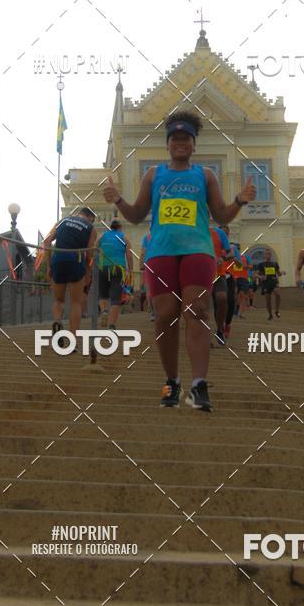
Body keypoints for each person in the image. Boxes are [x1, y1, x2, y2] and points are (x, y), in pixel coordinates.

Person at [103, 110, 256, 411]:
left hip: (198, 252)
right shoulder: (154, 175)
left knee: (196, 310)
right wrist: (117, 199)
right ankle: (172, 381)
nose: (181, 143)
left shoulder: (205, 176)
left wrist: (240, 200)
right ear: (168, 143)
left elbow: (222, 215)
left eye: (186, 138)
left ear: (194, 144)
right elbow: (135, 215)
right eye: (175, 138)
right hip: (160, 253)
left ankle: (198, 386)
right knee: (165, 316)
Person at [44, 208, 96, 352]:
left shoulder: (62, 221)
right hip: (75, 260)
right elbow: (89, 252)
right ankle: (73, 342)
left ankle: (57, 320)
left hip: (58, 258)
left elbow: (47, 241)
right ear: (90, 218)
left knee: (59, 300)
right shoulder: (91, 228)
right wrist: (88, 271)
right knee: (75, 302)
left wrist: (49, 266)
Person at [97, 220, 133, 331]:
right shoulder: (123, 237)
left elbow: (94, 248)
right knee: (116, 298)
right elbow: (129, 254)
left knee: (102, 295)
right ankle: (112, 325)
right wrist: (130, 270)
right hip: (118, 267)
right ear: (120, 227)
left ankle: (104, 311)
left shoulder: (102, 235)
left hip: (103, 266)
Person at [210, 224, 232, 346]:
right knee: (200, 306)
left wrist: (222, 258)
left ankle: (219, 330)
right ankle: (202, 335)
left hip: (218, 273)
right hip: (199, 275)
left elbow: (230, 253)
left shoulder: (219, 233)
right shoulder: (192, 232)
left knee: (222, 299)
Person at [256, 249, 285, 320]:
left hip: (274, 282)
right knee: (268, 300)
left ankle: (277, 310)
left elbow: (278, 273)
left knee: (277, 294)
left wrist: (282, 273)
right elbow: (255, 274)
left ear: (271, 255)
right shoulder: (261, 264)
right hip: (266, 284)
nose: (268, 255)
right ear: (264, 255)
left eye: (269, 254)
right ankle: (270, 315)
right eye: (266, 254)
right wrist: (260, 277)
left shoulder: (275, 264)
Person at [139, 229, 154, 320]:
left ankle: (153, 312)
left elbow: (143, 252)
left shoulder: (147, 237)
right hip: (163, 261)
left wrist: (141, 265)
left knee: (149, 289)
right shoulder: (164, 233)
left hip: (149, 263)